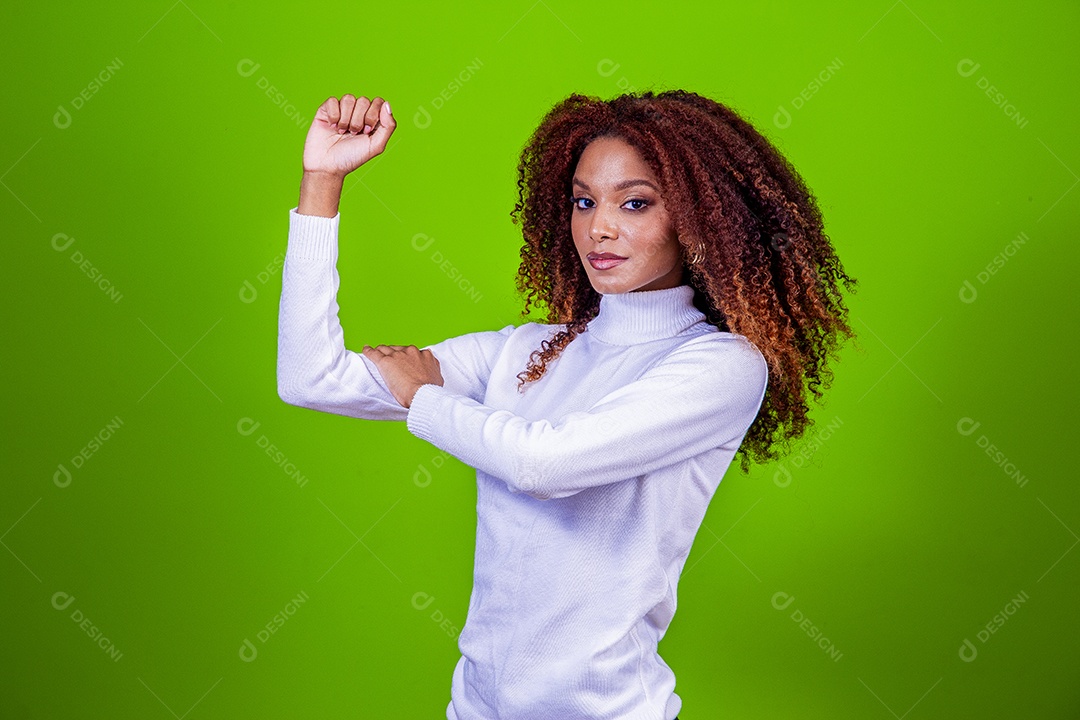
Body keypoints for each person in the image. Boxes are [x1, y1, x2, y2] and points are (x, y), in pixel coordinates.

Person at [277, 90, 857, 720]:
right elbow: (312, 379)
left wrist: (423, 395)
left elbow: (545, 465)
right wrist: (322, 182)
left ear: (699, 219)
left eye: (635, 203)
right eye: (585, 201)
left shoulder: (720, 367)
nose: (599, 227)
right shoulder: (529, 350)